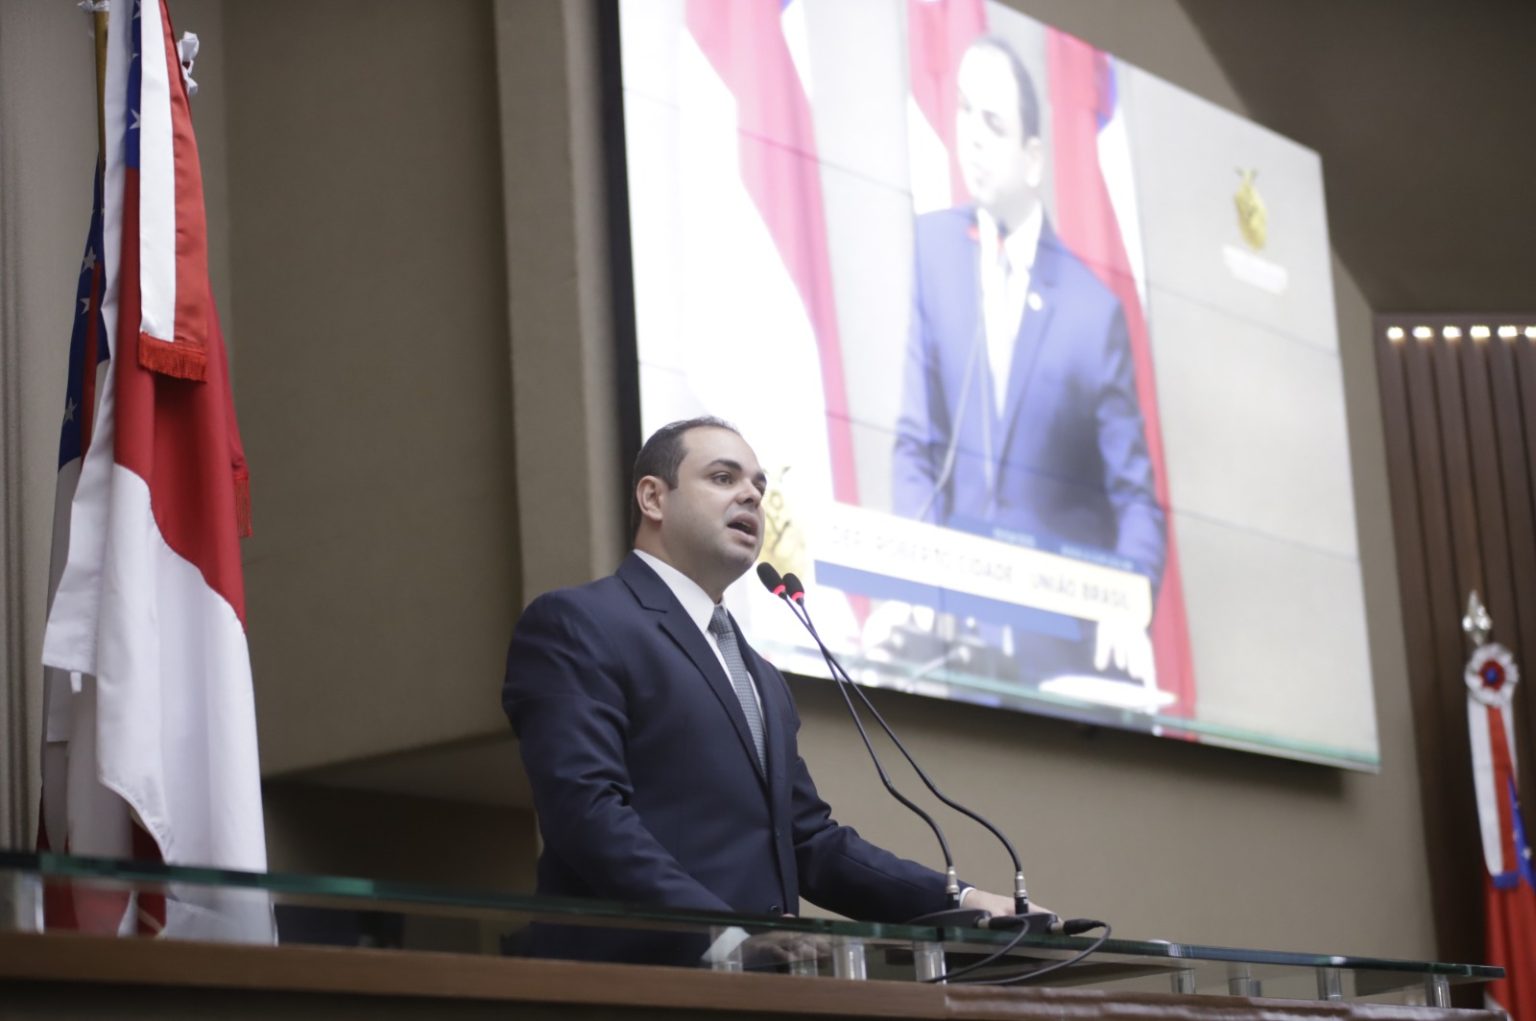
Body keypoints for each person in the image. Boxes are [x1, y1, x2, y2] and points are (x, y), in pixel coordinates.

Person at [503, 417, 1016, 964]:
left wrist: (966, 903)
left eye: (759, 486)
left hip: (763, 986)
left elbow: (808, 843)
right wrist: (724, 935)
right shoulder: (580, 622)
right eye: (724, 478)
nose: (750, 494)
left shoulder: (759, 675)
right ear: (653, 497)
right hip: (636, 984)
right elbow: (585, 810)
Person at [892, 36, 1165, 684]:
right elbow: (915, 448)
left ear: (1033, 157)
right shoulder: (933, 251)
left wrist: (1127, 603)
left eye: (993, 123)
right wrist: (916, 575)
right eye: (963, 112)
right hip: (950, 647)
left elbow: (1136, 502)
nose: (972, 138)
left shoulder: (1091, 309)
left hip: (1063, 659)